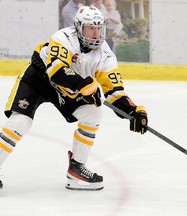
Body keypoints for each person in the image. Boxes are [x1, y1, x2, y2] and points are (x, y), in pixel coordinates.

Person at [0, 6, 148, 191]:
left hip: (69, 89)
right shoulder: (62, 38)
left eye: (98, 28)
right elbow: (57, 72)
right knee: (20, 123)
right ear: (78, 27)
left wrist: (132, 111)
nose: (95, 33)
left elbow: (115, 91)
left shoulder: (106, 55)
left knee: (93, 114)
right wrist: (84, 85)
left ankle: (76, 168)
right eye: (90, 28)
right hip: (38, 80)